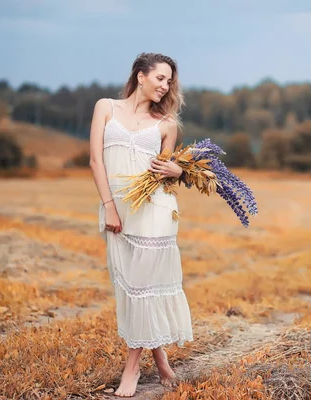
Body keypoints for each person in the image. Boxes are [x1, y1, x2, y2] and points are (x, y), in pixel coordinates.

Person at [88, 52, 193, 397]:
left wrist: (180, 171)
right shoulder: (105, 108)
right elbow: (95, 161)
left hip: (155, 213)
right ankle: (159, 355)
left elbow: (164, 178)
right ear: (141, 75)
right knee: (131, 289)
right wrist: (110, 208)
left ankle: (131, 369)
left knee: (141, 285)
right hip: (118, 211)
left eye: (169, 82)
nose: (166, 86)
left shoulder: (167, 125)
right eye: (161, 78)